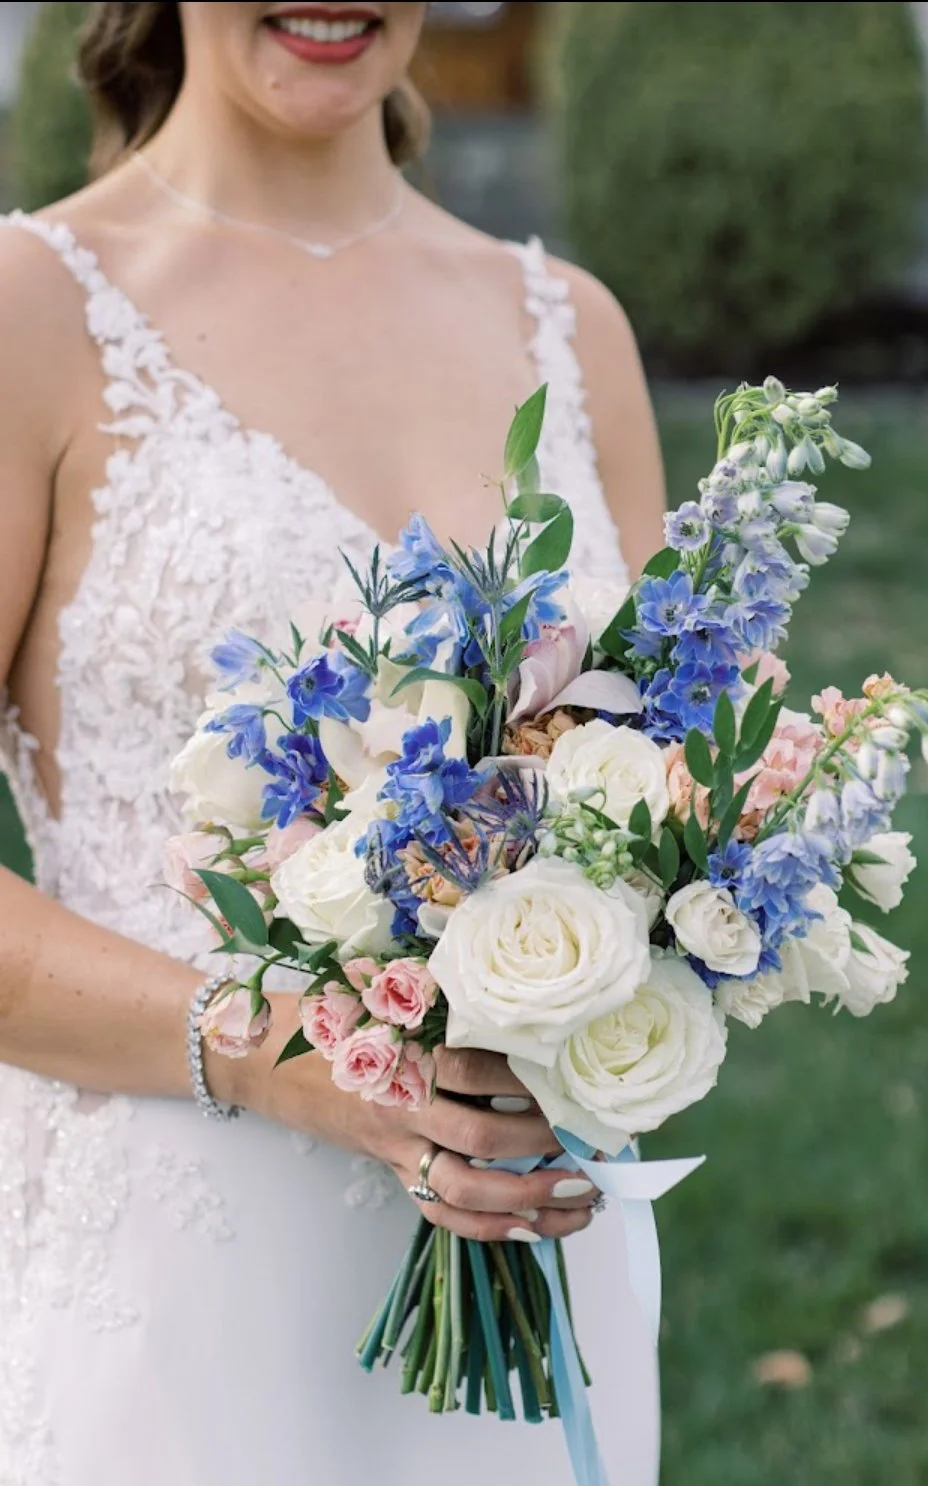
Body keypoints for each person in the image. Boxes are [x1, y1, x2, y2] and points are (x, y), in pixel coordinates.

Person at [0, 4, 666, 1482]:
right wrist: (279, 1050)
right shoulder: (29, 310)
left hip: (542, 1255)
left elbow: (678, 789)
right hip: (181, 1290)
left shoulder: (577, 330)